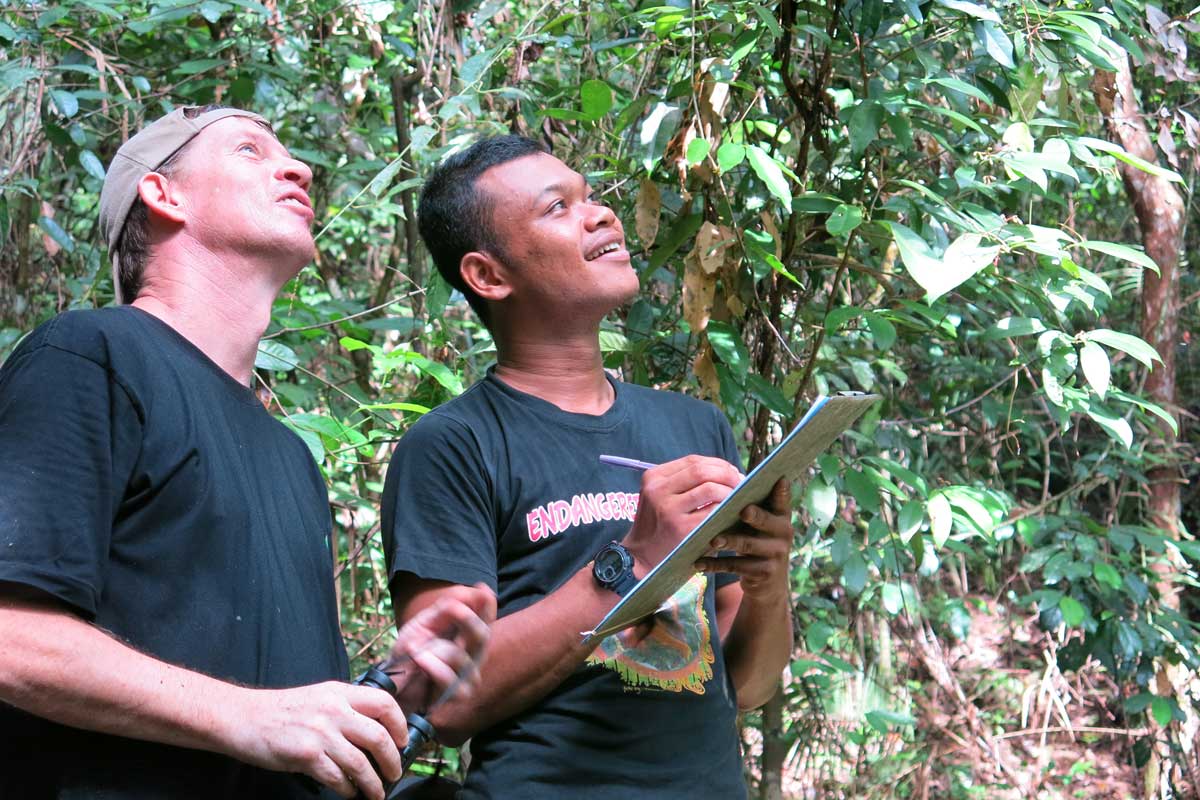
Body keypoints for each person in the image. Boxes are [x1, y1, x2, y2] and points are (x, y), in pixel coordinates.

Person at [0, 106, 495, 800]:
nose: (298, 168)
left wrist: (392, 689)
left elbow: (273, 717)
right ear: (163, 194)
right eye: (249, 150)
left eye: (289, 154)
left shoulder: (291, 455)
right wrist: (249, 717)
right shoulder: (90, 358)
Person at [380, 136, 795, 798]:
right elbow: (441, 702)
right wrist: (629, 563)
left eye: (591, 197)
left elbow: (747, 684)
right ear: (489, 275)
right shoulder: (453, 445)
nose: (600, 214)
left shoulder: (694, 427)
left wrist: (771, 582)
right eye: (557, 208)